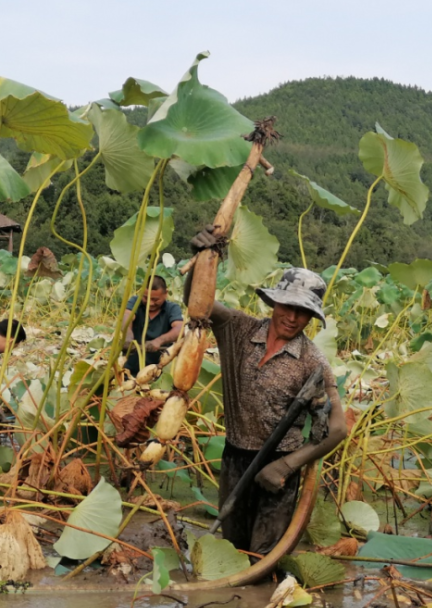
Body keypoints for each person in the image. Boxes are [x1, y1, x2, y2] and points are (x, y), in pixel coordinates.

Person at [186, 227, 347, 555]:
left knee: (265, 555)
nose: (292, 317)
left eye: (303, 312)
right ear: (274, 301)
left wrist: (286, 467)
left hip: (278, 466)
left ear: (311, 316)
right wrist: (201, 259)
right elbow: (198, 304)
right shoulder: (239, 329)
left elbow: (337, 428)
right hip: (234, 458)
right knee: (231, 550)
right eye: (287, 306)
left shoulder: (311, 361)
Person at [122, 276, 184, 377]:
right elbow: (127, 316)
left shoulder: (172, 308)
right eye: (146, 298)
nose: (150, 303)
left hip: (159, 372)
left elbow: (179, 329)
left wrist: (159, 340)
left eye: (155, 299)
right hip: (130, 371)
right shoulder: (135, 301)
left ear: (166, 294)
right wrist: (128, 336)